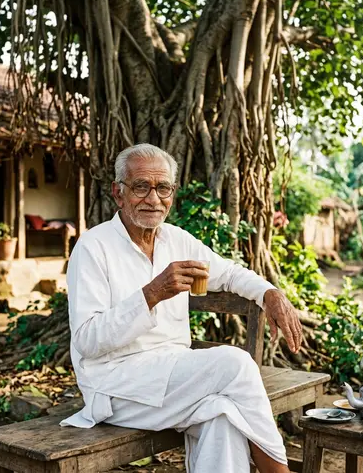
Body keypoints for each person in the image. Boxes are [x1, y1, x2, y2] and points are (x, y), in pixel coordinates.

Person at [61, 144, 303, 473]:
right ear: (119, 193)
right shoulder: (93, 247)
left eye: (163, 188)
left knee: (223, 414)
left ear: (173, 193)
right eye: (141, 186)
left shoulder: (177, 240)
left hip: (177, 376)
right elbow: (87, 341)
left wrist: (270, 293)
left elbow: (229, 273)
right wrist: (152, 293)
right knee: (234, 363)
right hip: (115, 385)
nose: (153, 199)